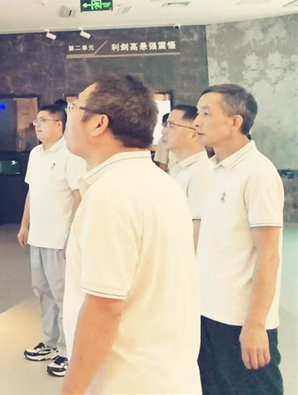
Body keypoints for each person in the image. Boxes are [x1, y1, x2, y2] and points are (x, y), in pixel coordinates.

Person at [61, 75, 201, 395]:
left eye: (74, 107)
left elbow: (104, 308)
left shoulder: (110, 195)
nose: (69, 115)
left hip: (127, 381)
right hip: (166, 374)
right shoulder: (161, 183)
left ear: (98, 123)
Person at [194, 84, 284, 395]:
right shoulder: (215, 170)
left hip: (240, 320)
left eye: (206, 114)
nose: (197, 122)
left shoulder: (258, 173)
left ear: (235, 121)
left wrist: (256, 324)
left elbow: (269, 255)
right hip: (209, 311)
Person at [17, 104, 86, 378]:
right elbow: (31, 192)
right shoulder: (36, 154)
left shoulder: (70, 154)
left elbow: (80, 196)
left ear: (59, 124)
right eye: (36, 120)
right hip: (38, 237)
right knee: (42, 291)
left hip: (60, 239)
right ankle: (49, 342)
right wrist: (24, 225)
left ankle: (68, 351)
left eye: (43, 120)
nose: (37, 124)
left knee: (63, 296)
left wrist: (73, 236)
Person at [160, 104, 213, 250]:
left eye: (171, 125)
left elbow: (199, 230)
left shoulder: (202, 172)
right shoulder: (179, 170)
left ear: (194, 133)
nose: (163, 131)